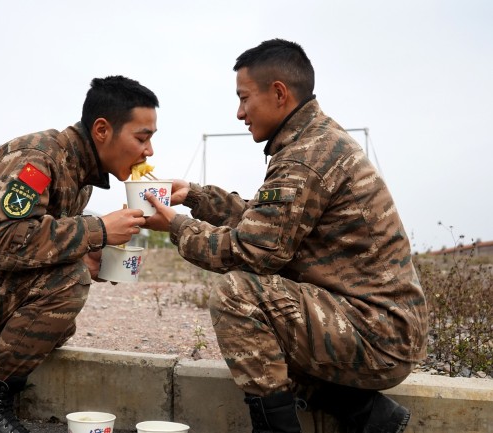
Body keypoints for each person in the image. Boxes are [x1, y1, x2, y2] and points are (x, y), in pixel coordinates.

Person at [143, 39, 428, 433]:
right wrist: (194, 196)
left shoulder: (303, 157)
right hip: (378, 326)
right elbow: (264, 224)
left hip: (378, 337)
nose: (239, 112)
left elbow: (252, 252)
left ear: (279, 93)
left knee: (239, 296)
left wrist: (176, 227)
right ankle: (366, 414)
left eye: (244, 98)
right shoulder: (312, 141)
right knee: (269, 321)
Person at [0, 75, 157, 433]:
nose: (149, 152)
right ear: (101, 129)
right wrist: (97, 230)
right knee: (65, 286)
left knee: (56, 321)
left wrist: (87, 254)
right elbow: (0, 242)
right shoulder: (38, 159)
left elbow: (33, 246)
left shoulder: (77, 172)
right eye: (142, 138)